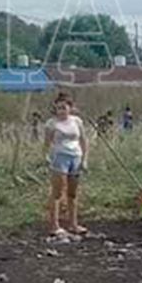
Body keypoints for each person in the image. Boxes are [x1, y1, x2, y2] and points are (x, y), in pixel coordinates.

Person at [42, 96, 90, 239]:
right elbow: (47, 142)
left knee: (73, 193)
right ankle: (54, 226)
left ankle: (73, 224)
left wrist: (85, 159)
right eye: (58, 108)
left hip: (75, 157)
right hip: (59, 157)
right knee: (58, 192)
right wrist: (45, 156)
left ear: (70, 107)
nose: (61, 111)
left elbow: (83, 140)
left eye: (64, 107)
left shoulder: (77, 121)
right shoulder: (51, 124)